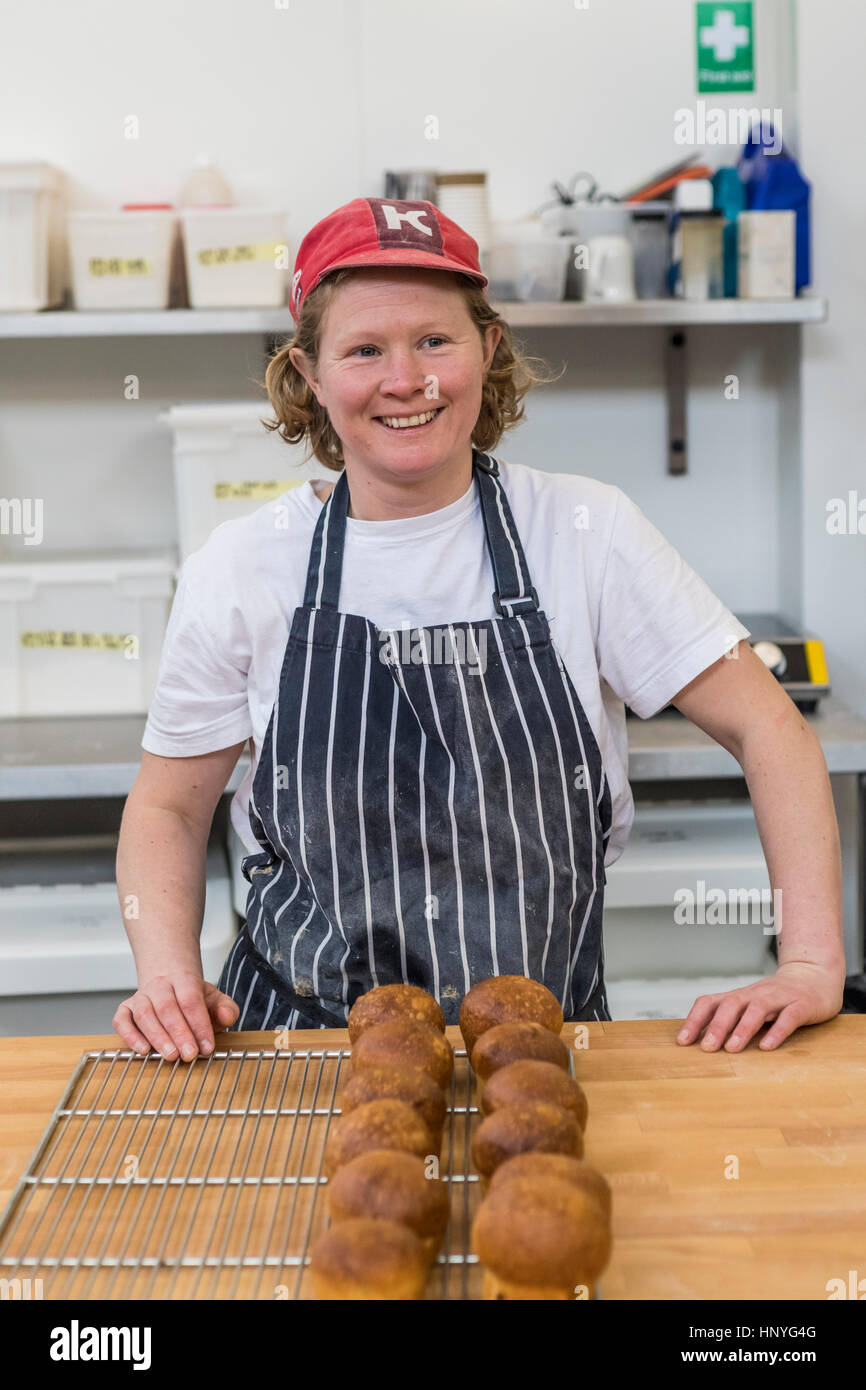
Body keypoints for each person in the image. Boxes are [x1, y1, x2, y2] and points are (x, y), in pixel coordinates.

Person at [114, 196, 844, 1061]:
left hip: (535, 1050)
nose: (405, 378)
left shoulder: (584, 531)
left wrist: (808, 959)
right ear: (309, 374)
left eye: (435, 340)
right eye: (363, 350)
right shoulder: (243, 565)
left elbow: (771, 728)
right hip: (301, 1055)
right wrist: (165, 972)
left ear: (487, 347)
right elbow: (166, 804)